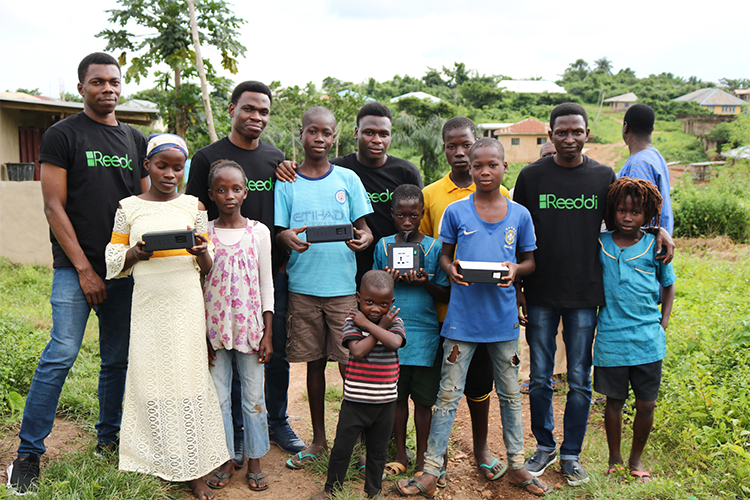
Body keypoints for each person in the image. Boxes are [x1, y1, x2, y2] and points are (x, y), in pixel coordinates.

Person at [6, 52, 148, 495]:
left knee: (117, 360)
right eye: (98, 82)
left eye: (114, 81)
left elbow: (145, 206)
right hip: (75, 268)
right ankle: (28, 455)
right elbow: (53, 206)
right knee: (61, 354)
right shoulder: (62, 134)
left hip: (124, 269)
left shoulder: (135, 140)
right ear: (82, 86)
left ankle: (109, 439)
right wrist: (86, 269)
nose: (108, 88)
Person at [513, 103, 674, 486]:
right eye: (562, 132)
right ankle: (544, 447)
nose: (569, 138)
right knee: (539, 377)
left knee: (581, 378)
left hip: (586, 295)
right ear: (550, 135)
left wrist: (658, 230)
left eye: (577, 131)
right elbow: (515, 232)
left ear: (588, 134)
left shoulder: (602, 176)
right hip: (540, 293)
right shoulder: (532, 176)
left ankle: (571, 454)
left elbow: (628, 212)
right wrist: (518, 287)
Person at [397, 138, 548, 498]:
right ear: (471, 168)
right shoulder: (457, 212)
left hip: (503, 322)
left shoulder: (519, 215)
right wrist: (453, 270)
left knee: (510, 395)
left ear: (504, 168)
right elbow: (445, 258)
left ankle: (516, 464)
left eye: (492, 165)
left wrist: (516, 269)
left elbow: (530, 261)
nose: (484, 171)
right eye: (478, 166)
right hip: (461, 320)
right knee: (447, 396)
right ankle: (432, 468)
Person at [186, 81, 306, 456]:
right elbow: (195, 213)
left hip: (268, 275)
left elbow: (285, 207)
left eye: (264, 111)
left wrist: (284, 241)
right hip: (221, 278)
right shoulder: (207, 157)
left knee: (274, 352)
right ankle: (236, 430)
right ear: (232, 109)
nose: (257, 117)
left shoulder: (275, 159)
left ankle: (277, 422)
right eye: (249, 109)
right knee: (230, 357)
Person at [105, 134, 228, 500]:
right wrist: (136, 254)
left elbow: (208, 265)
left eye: (178, 167)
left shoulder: (195, 207)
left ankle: (194, 468)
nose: (170, 173)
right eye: (162, 166)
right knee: (152, 380)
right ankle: (156, 459)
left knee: (189, 379)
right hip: (148, 306)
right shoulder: (128, 208)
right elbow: (113, 258)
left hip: (186, 305)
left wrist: (203, 251)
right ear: (147, 166)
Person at [275, 107, 373, 469]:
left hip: (343, 290)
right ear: (300, 134)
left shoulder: (347, 179)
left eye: (326, 133)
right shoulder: (286, 182)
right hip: (303, 288)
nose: (319, 138)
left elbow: (365, 228)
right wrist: (285, 237)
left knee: (351, 366)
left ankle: (357, 443)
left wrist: (364, 238)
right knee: (314, 366)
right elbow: (280, 230)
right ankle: (318, 439)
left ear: (335, 137)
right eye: (312, 131)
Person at [419, 117, 511, 482]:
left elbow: (514, 250)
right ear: (444, 148)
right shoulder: (431, 195)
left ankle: (482, 448)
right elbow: (429, 250)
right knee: (443, 387)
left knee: (479, 384)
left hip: (486, 311)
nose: (459, 153)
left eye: (465, 145)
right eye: (451, 146)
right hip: (443, 307)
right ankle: (432, 459)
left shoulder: (505, 198)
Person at [275, 102, 423, 286]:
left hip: (392, 266)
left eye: (384, 134)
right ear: (356, 133)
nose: (377, 140)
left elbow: (418, 223)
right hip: (346, 269)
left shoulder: (406, 172)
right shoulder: (340, 171)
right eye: (369, 132)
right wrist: (287, 165)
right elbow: (312, 170)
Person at [597, 177, 675, 483]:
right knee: (614, 402)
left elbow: (668, 286)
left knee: (646, 403)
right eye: (621, 211)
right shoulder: (600, 244)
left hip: (647, 340)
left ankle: (636, 458)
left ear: (648, 214)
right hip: (610, 339)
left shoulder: (654, 246)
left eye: (636, 213)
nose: (628, 217)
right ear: (612, 211)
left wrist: (663, 321)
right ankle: (615, 459)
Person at [203, 160, 274, 491]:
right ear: (211, 194)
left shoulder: (258, 232)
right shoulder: (204, 232)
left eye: (235, 189)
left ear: (245, 192)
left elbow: (266, 284)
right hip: (215, 330)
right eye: (221, 190)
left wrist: (268, 332)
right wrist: (201, 334)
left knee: (253, 396)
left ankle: (255, 459)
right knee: (218, 398)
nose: (229, 195)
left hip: (250, 331)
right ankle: (226, 459)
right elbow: (198, 283)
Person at [372, 184, 450, 476]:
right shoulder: (382, 246)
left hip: (426, 334)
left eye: (413, 215)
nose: (407, 221)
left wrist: (423, 282)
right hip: (391, 333)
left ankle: (422, 461)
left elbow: (445, 294)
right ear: (392, 214)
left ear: (422, 214)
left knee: (424, 402)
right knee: (396, 398)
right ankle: (401, 455)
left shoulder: (434, 248)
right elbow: (373, 293)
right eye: (401, 216)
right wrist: (388, 281)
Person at [310, 270, 406, 500]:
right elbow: (358, 351)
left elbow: (394, 342)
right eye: (369, 302)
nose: (375, 309)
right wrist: (374, 326)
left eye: (383, 304)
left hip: (385, 404)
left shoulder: (395, 322)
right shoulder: (352, 322)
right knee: (342, 449)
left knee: (378, 451)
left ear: (391, 303)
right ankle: (331, 490)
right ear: (358, 298)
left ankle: (373, 491)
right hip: (355, 402)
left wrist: (374, 325)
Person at [517, 140, 566, 393]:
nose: (551, 158)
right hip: (533, 269)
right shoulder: (529, 184)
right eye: (546, 155)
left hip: (566, 271)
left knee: (563, 327)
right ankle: (530, 372)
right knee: (532, 325)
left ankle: (557, 372)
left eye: (554, 155)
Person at [618, 103, 673, 235]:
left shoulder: (639, 164)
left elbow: (636, 219)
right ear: (652, 128)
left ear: (625, 127)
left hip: (642, 249)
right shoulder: (655, 157)